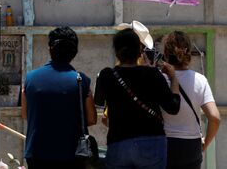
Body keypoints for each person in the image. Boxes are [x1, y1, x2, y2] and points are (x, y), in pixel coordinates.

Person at [94, 28, 181, 169]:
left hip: (119, 142)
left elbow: (98, 103)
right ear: (140, 51)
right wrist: (173, 78)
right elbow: (173, 107)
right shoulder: (152, 74)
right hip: (152, 142)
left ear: (116, 52)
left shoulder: (106, 75)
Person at [21, 26, 97, 169]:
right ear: (74, 52)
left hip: (38, 155)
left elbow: (25, 114)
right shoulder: (81, 81)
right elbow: (92, 119)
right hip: (71, 155)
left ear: (50, 49)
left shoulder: (30, 79)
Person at [161, 31, 220, 169]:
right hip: (192, 146)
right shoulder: (200, 80)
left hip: (164, 143)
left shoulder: (158, 79)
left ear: (165, 53)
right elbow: (215, 118)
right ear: (189, 53)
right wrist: (204, 145)